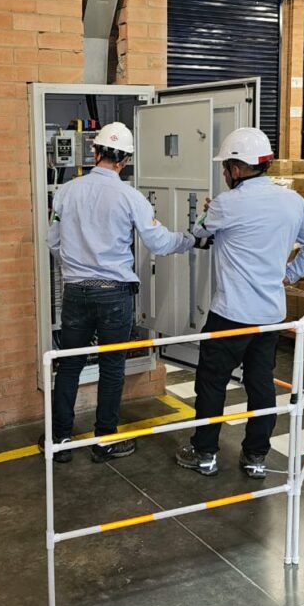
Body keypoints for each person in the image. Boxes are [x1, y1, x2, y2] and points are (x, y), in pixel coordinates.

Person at [175, 126, 304, 479]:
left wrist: (208, 211)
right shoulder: (292, 201)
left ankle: (205, 453)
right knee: (261, 385)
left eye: (225, 167)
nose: (224, 174)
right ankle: (256, 457)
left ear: (236, 168)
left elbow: (199, 231)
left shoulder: (227, 203)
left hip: (231, 314)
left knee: (212, 382)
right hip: (270, 314)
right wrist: (291, 274)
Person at [41, 121, 195, 463]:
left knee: (69, 364)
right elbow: (159, 242)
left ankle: (59, 439)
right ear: (125, 160)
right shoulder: (130, 196)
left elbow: (53, 241)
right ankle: (105, 441)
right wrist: (189, 239)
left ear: (95, 151)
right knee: (112, 367)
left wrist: (76, 266)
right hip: (114, 294)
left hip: (75, 292)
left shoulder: (66, 192)